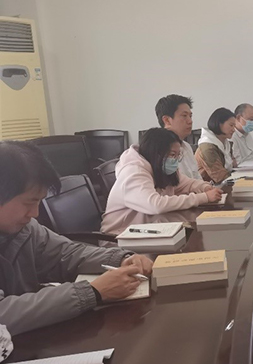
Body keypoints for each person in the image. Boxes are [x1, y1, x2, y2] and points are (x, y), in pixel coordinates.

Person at [0, 141, 153, 335]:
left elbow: (65, 254)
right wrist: (92, 292)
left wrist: (120, 259)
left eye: (39, 202)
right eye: (29, 202)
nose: (35, 213)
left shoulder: (26, 229)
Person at [102, 128, 222, 234]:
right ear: (156, 153)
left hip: (151, 229)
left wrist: (205, 187)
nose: (175, 160)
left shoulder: (161, 167)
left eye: (178, 155)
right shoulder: (134, 172)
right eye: (172, 154)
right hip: (120, 236)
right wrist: (204, 197)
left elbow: (187, 183)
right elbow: (155, 205)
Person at [155, 94, 202, 180]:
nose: (190, 121)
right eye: (184, 116)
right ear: (167, 120)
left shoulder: (187, 146)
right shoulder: (158, 150)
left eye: (190, 116)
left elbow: (197, 178)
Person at [196, 107, 238, 184]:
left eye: (234, 126)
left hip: (221, 184)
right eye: (231, 125)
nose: (233, 130)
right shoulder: (207, 147)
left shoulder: (226, 144)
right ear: (219, 124)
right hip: (206, 187)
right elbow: (220, 177)